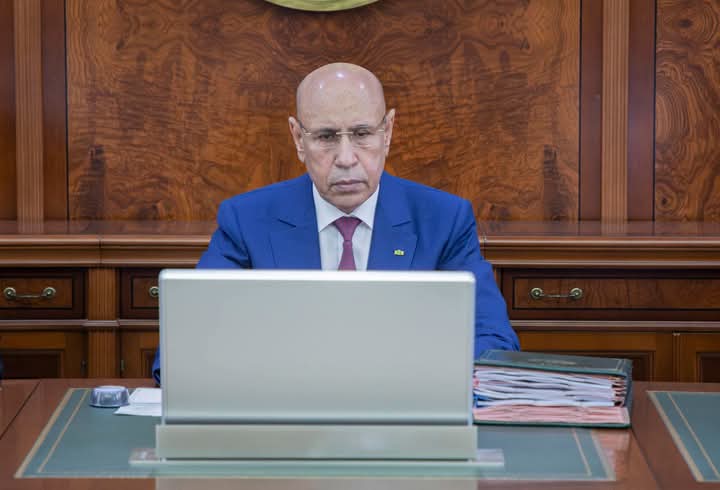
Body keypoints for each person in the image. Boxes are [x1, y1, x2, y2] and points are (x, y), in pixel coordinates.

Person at [152, 62, 518, 384]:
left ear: (388, 132)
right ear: (299, 138)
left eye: (362, 134)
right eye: (326, 137)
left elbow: (492, 343)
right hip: (287, 420)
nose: (346, 158)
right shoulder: (247, 221)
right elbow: (183, 349)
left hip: (401, 418)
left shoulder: (444, 220)